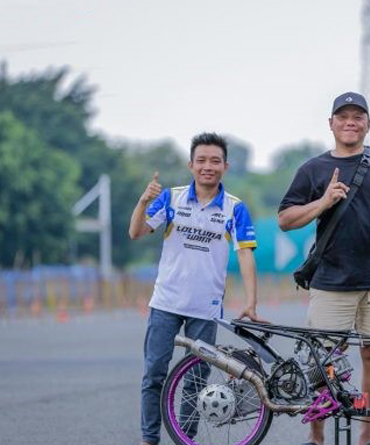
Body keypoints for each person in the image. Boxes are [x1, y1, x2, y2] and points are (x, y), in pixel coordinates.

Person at [278, 92, 370, 445]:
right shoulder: (313, 169)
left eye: (357, 116)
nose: (350, 122)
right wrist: (323, 202)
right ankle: (317, 439)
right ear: (331, 123)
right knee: (323, 361)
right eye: (343, 116)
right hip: (331, 280)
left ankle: (367, 437)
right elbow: (285, 219)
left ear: (368, 123)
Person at [128, 132, 265, 445]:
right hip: (165, 303)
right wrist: (143, 200)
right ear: (191, 165)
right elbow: (136, 232)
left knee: (196, 380)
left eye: (215, 161)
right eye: (201, 160)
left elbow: (245, 254)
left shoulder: (234, 208)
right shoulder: (171, 198)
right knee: (154, 375)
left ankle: (184, 438)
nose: (208, 167)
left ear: (225, 167)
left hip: (206, 308)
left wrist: (251, 302)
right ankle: (149, 439)